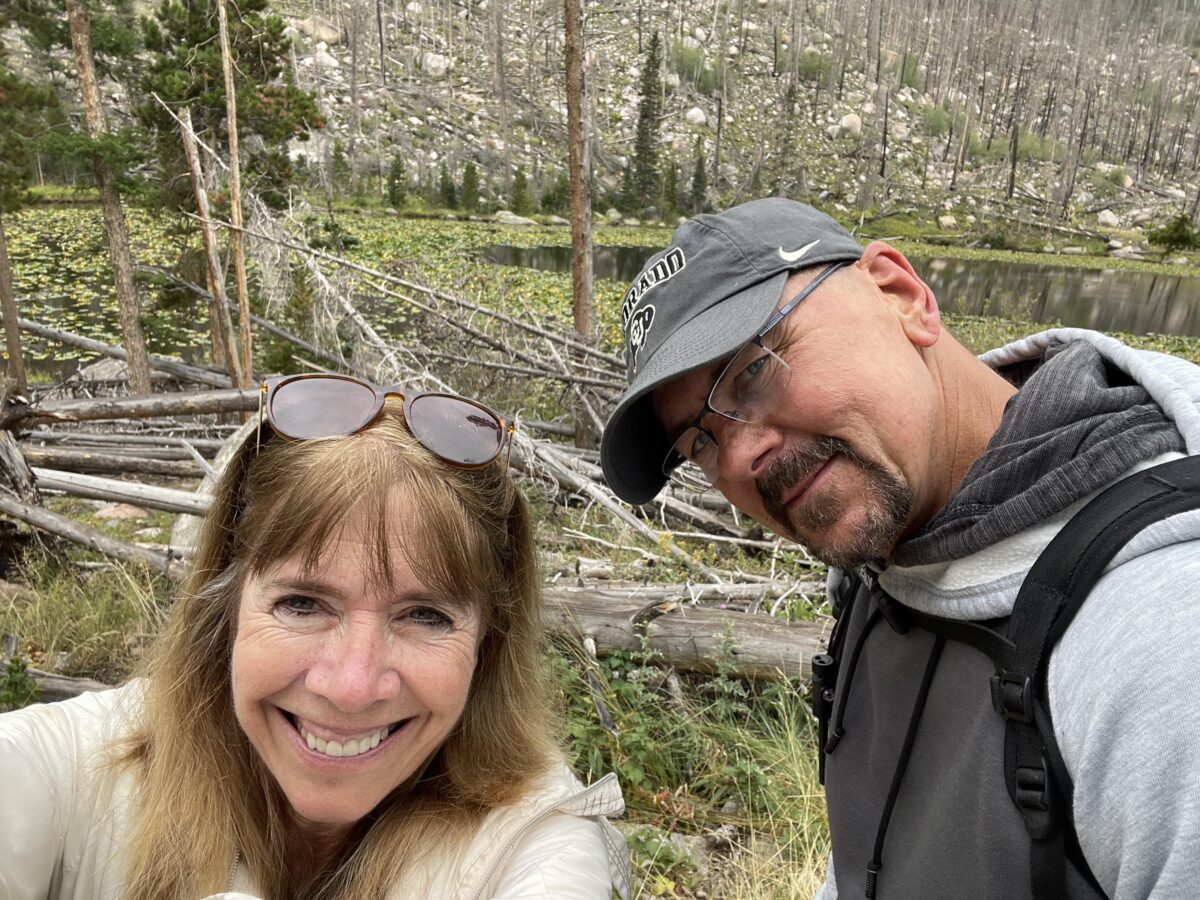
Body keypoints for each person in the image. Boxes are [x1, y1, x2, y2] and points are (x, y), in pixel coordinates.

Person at [600, 197, 1200, 899]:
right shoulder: (883, 559)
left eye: (753, 371)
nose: (740, 459)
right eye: (698, 442)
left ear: (903, 293)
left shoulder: (1162, 646)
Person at [0, 373, 631, 900]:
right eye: (302, 604)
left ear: (488, 645)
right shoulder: (73, 768)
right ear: (224, 608)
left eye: (425, 616)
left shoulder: (532, 846)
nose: (352, 687)